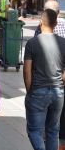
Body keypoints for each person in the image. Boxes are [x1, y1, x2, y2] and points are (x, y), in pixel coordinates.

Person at [23, 9, 65, 150]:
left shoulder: (32, 43)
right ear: (55, 24)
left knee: (34, 131)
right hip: (58, 92)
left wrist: (30, 91)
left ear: (41, 23)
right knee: (53, 131)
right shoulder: (64, 43)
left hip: (38, 91)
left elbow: (27, 70)